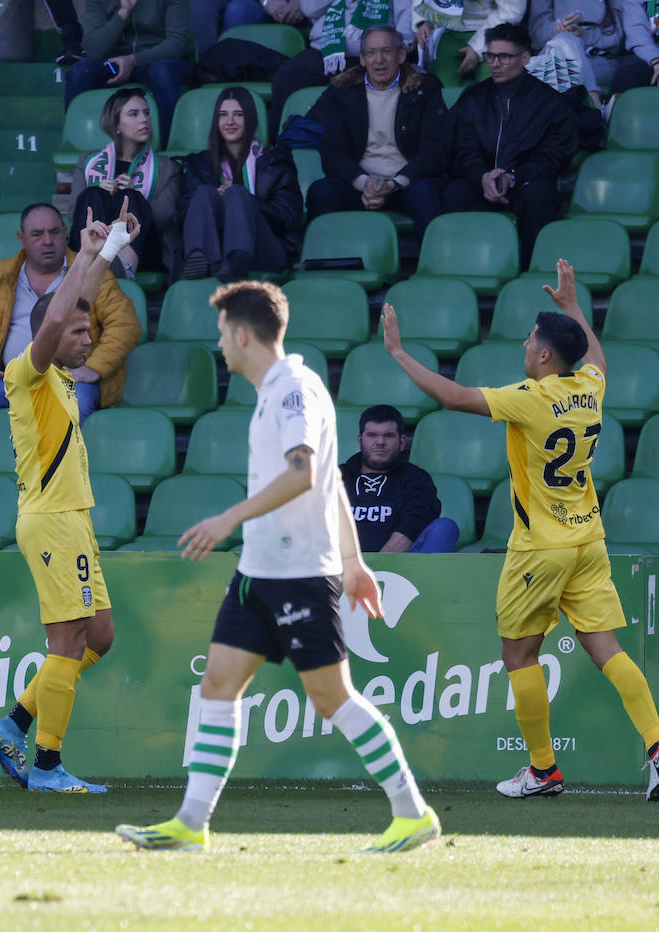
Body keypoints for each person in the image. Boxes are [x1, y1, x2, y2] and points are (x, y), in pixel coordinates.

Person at [115, 280, 440, 853]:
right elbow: (335, 483)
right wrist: (356, 560)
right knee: (217, 685)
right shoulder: (273, 391)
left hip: (297, 576)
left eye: (221, 333)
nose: (219, 345)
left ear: (242, 334)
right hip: (257, 575)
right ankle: (192, 823)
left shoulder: (293, 390)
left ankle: (412, 813)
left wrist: (227, 519)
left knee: (333, 698)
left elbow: (304, 474)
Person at [381, 259, 659, 800]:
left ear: (545, 355)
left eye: (532, 340)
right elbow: (597, 357)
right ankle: (658, 749)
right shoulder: (590, 388)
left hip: (540, 551)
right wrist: (574, 309)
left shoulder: (531, 400)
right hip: (588, 540)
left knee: (518, 656)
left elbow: (452, 397)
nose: (525, 347)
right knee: (608, 649)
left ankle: (543, 770)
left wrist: (397, 352)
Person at [0, 202, 137, 794]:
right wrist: (87, 251)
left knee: (100, 638)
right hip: (50, 521)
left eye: (88, 329)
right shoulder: (29, 370)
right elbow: (53, 322)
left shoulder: (64, 378)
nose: (86, 337)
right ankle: (46, 766)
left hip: (73, 519)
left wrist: (110, 243)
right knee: (66, 642)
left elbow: (75, 304)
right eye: (77, 330)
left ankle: (13, 725)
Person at [0, 202, 139, 449]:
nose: (47, 241)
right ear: (22, 239)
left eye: (54, 232)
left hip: (69, 380)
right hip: (11, 378)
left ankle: (54, 472)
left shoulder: (91, 272)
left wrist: (95, 367)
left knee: (76, 404)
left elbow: (125, 324)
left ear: (65, 233)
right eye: (37, 234)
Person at [442, 22, 577, 264]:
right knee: (455, 192)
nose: (494, 64)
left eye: (503, 57)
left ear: (525, 58)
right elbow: (462, 147)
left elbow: (553, 156)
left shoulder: (550, 103)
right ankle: (463, 266)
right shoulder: (473, 97)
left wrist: (512, 176)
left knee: (540, 195)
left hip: (525, 180)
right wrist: (482, 176)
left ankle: (531, 270)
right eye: (490, 56)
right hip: (481, 180)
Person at [305, 25, 448, 238]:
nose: (378, 59)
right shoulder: (341, 92)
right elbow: (333, 153)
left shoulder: (425, 89)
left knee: (424, 193)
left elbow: (434, 151)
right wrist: (365, 183)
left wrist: (393, 184)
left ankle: (435, 264)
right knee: (322, 192)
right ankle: (323, 264)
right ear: (362, 59)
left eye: (386, 51)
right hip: (361, 183)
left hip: (406, 182)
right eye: (371, 53)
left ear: (401, 55)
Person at [175, 86, 304, 282]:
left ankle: (236, 260)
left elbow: (289, 217)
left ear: (250, 119)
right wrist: (217, 201)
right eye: (223, 115)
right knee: (203, 194)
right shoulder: (199, 165)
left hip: (263, 249)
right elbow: (182, 215)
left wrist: (246, 201)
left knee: (236, 194)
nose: (230, 122)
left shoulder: (275, 161)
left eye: (238, 114)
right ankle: (198, 258)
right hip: (214, 246)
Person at [69, 88, 181, 280]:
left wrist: (133, 191)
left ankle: (122, 267)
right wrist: (104, 195)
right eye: (134, 114)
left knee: (129, 197)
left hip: (144, 249)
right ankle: (98, 261)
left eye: (146, 113)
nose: (144, 119)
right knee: (93, 194)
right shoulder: (88, 162)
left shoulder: (167, 167)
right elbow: (73, 213)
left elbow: (163, 218)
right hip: (90, 246)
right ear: (116, 123)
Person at [269, 0, 415, 136]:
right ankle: (278, 148)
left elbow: (407, 14)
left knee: (353, 94)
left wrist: (398, 49)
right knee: (287, 76)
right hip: (326, 51)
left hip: (372, 56)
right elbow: (309, 9)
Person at [67, 0, 194, 145]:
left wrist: (134, 60)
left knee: (163, 73)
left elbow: (177, 43)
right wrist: (123, 12)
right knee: (79, 72)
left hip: (159, 58)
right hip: (116, 61)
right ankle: (79, 147)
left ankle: (170, 149)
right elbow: (93, 50)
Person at [340, 404, 460, 553]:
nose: (380, 442)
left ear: (402, 442)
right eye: (372, 435)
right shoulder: (337, 476)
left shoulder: (416, 478)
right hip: (341, 565)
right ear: (360, 440)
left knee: (445, 527)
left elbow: (417, 518)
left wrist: (380, 566)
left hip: (401, 568)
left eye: (388, 436)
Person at [527, 0, 659, 102]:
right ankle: (595, 107)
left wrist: (584, 34)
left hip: (600, 62)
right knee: (564, 43)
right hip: (556, 54)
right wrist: (558, 28)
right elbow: (536, 36)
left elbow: (619, 39)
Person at [414, 0, 524, 87]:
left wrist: (477, 48)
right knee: (440, 86)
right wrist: (425, 20)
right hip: (449, 33)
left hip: (493, 34)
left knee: (494, 88)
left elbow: (511, 11)